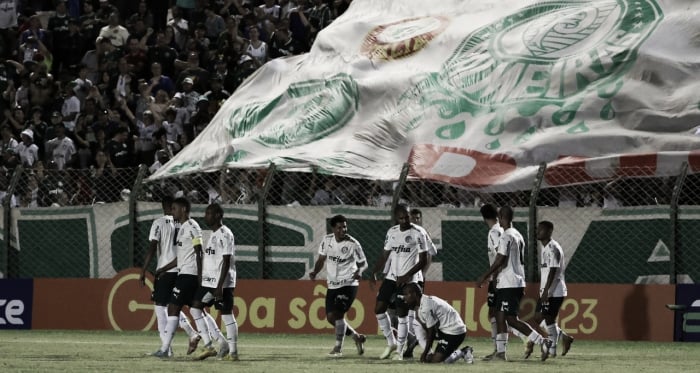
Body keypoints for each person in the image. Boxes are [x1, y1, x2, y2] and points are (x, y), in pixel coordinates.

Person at [477, 206, 553, 362]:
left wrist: (484, 276)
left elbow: (500, 259)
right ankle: (500, 353)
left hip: (509, 282)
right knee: (500, 316)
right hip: (514, 281)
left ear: (500, 216)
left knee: (510, 319)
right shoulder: (518, 234)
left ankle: (542, 341)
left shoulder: (506, 236)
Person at [139, 196, 199, 357]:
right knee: (174, 306)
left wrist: (143, 270)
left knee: (160, 308)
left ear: (164, 206)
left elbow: (152, 247)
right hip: (180, 269)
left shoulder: (159, 222)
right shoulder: (183, 223)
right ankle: (187, 335)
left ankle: (167, 348)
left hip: (165, 270)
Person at [370, 204, 428, 360]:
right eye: (401, 218)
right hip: (391, 277)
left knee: (402, 315)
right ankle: (391, 342)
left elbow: (424, 260)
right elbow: (384, 255)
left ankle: (400, 352)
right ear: (397, 218)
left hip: (409, 280)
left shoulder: (418, 233)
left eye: (407, 217)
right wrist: (374, 272)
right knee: (379, 308)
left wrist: (408, 276)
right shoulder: (392, 232)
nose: (405, 220)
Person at [308, 214, 368, 357]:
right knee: (330, 318)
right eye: (339, 227)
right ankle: (356, 337)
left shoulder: (353, 244)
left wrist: (360, 271)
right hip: (332, 285)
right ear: (333, 228)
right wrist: (315, 272)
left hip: (348, 283)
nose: (343, 230)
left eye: (345, 227)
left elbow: (364, 263)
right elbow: (321, 259)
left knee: (338, 314)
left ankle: (337, 349)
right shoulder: (327, 240)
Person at [189, 203, 240, 361]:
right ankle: (212, 344)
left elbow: (226, 261)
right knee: (195, 308)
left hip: (221, 283)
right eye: (206, 213)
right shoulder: (213, 234)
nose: (206, 216)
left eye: (209, 213)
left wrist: (220, 286)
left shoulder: (225, 234)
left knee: (226, 315)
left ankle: (233, 352)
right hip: (208, 282)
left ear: (218, 215)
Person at [530, 221, 574, 358]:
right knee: (542, 318)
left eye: (541, 230)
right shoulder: (546, 248)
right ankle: (563, 338)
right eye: (538, 229)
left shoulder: (553, 248)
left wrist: (546, 291)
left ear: (549, 232)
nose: (538, 232)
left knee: (547, 319)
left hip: (554, 291)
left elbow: (553, 271)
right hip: (548, 290)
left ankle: (552, 350)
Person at [402, 283, 473, 364]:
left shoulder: (426, 307)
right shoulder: (425, 300)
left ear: (414, 294)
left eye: (406, 295)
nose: (404, 298)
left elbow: (431, 333)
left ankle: (464, 351)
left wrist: (424, 353)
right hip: (445, 329)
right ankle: (429, 353)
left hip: (454, 332)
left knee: (436, 361)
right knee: (417, 322)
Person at [479, 203, 504, 360]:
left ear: (484, 218)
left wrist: (494, 277)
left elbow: (499, 255)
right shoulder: (502, 230)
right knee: (497, 314)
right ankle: (497, 349)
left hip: (499, 278)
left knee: (497, 314)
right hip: (501, 277)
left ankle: (498, 349)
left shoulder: (494, 232)